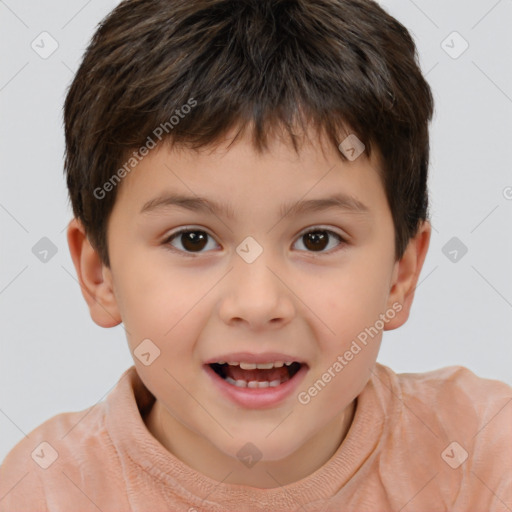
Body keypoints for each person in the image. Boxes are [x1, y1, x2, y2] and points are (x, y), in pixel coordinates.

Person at [1, 0, 511, 510]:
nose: (259, 302)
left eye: (318, 239)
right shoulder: (44, 491)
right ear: (100, 275)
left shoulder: (484, 457)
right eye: (193, 239)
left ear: (401, 275)